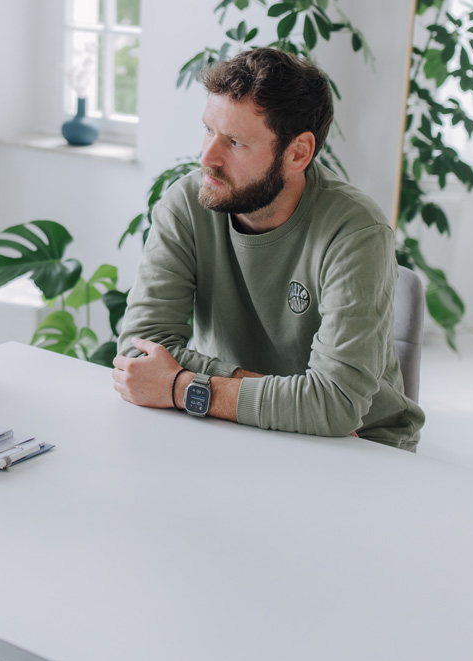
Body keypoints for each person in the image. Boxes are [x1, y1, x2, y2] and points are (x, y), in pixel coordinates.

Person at [112, 47, 424, 450]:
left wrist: (182, 386)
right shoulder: (186, 203)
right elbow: (138, 356)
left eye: (235, 142)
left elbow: (335, 406)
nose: (208, 158)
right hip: (231, 426)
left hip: (358, 445)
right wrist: (300, 402)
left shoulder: (356, 231)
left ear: (298, 153)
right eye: (208, 130)